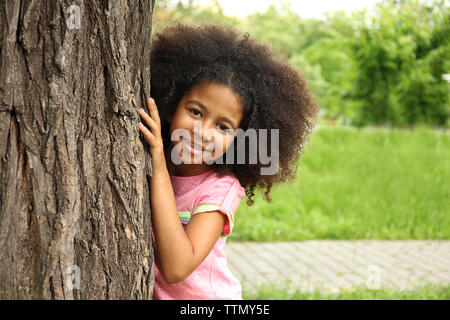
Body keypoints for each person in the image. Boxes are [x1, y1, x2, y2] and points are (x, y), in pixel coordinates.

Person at [137, 23, 318, 300]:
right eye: (196, 111)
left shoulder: (220, 189)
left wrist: (160, 167)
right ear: (172, 107)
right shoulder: (148, 159)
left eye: (223, 127)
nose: (203, 132)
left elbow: (177, 268)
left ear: (240, 139)